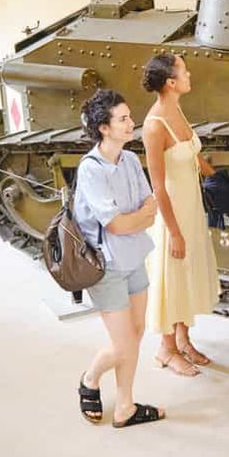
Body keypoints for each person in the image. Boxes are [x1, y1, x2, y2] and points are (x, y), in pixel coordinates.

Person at [74, 89, 165, 428]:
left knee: (137, 332)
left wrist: (134, 221)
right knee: (123, 344)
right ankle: (90, 378)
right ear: (104, 128)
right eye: (123, 119)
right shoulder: (91, 169)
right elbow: (115, 223)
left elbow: (150, 210)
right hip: (107, 266)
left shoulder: (129, 160)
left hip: (134, 257)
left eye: (130, 117)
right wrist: (133, 220)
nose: (131, 124)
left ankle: (125, 406)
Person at [141, 54, 221, 377]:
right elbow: (157, 185)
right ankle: (166, 349)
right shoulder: (154, 125)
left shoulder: (176, 109)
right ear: (171, 83)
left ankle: (184, 339)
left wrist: (215, 179)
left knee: (186, 275)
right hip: (171, 214)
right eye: (184, 72)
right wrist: (174, 232)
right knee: (171, 279)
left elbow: (191, 152)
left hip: (191, 208)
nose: (190, 75)